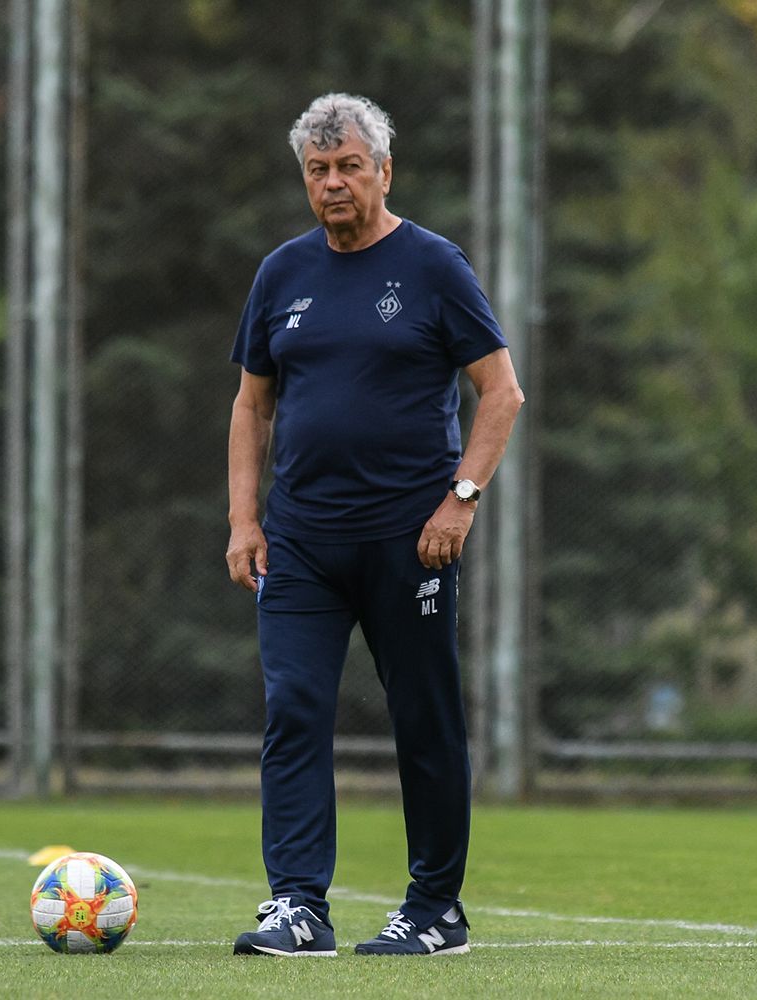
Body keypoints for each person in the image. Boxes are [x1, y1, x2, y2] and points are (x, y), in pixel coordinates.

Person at [225, 93, 524, 957]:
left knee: (425, 719)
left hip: (410, 539)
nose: (334, 184)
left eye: (350, 166)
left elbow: (500, 391)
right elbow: (251, 406)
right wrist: (245, 520)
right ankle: (296, 907)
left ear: (384, 171)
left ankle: (436, 909)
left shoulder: (433, 266)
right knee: (295, 708)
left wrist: (459, 500)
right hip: (303, 543)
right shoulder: (282, 274)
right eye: (318, 171)